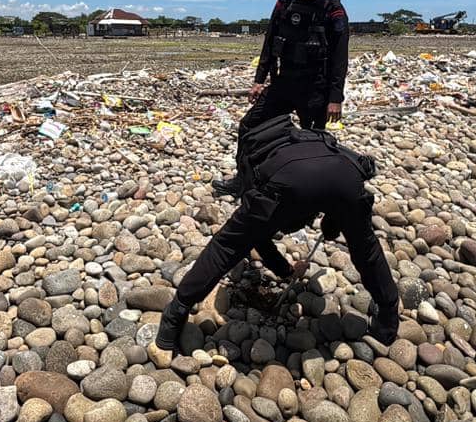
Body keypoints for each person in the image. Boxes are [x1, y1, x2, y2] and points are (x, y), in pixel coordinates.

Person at [157, 115, 399, 352]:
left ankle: (175, 314)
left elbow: (254, 236)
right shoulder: (319, 142)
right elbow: (334, 198)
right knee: (366, 249)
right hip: (346, 178)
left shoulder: (257, 166)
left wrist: (284, 270)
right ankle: (387, 320)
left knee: (225, 246)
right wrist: (323, 235)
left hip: (291, 182)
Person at [213, 0, 349, 197]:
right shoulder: (286, 1)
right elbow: (270, 39)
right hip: (283, 84)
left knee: (314, 142)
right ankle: (243, 182)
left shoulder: (333, 9)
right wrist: (258, 80)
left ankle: (313, 194)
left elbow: (341, 57)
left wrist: (335, 98)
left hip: (315, 89)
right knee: (249, 127)